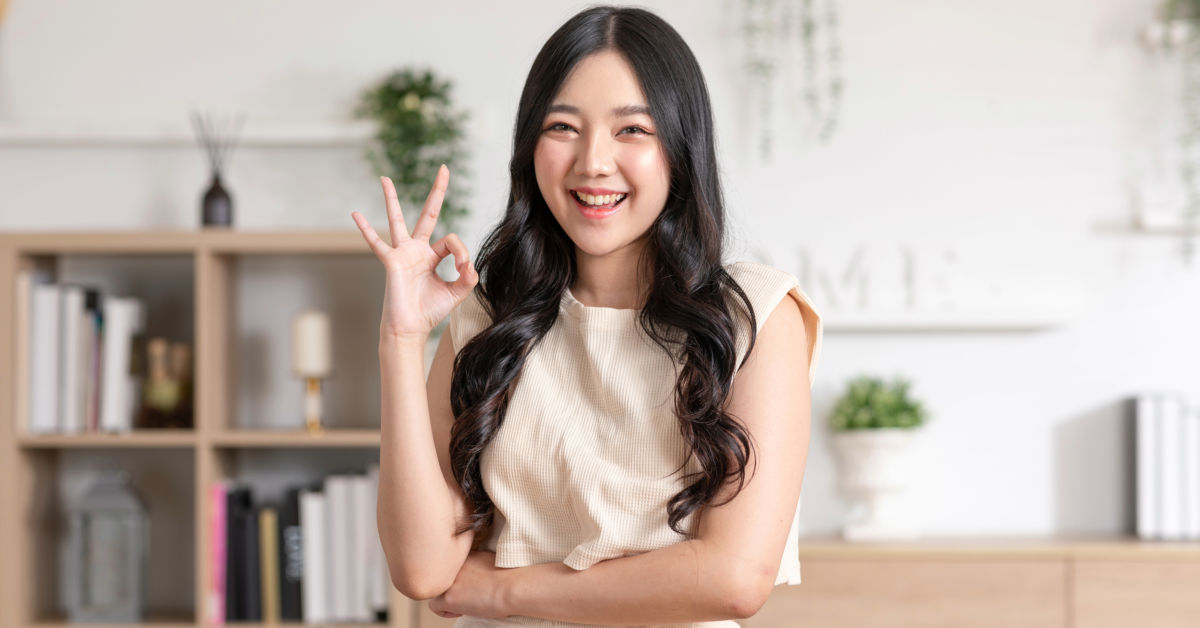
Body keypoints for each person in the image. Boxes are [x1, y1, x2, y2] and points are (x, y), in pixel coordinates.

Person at [351, 5, 823, 627]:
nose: (593, 162)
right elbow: (421, 570)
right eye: (563, 127)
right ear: (530, 146)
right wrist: (402, 338)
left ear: (682, 148)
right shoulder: (490, 317)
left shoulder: (755, 316)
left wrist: (501, 590)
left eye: (633, 130)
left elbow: (734, 579)